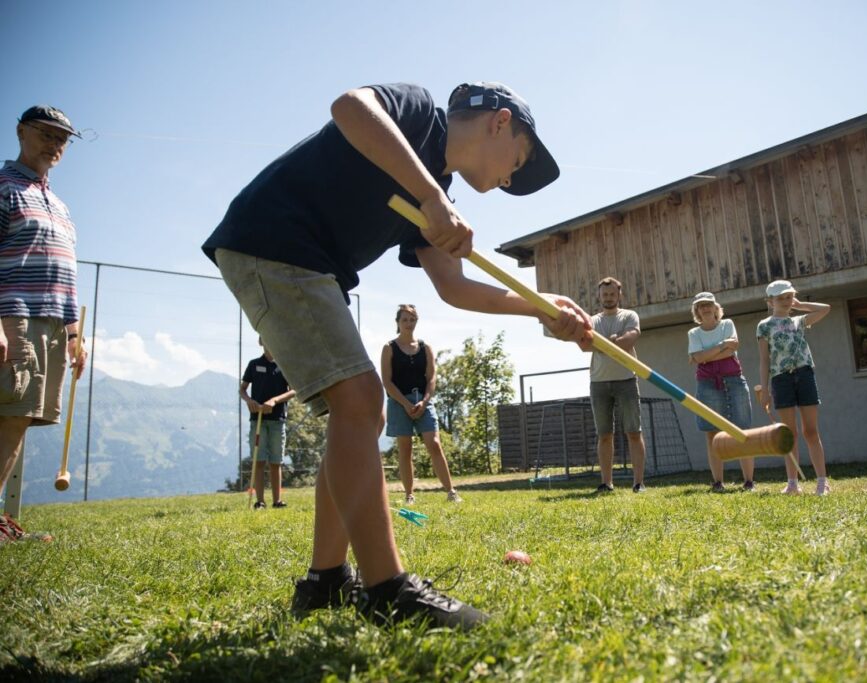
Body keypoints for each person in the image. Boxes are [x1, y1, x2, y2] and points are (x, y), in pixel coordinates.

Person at [202, 82, 591, 630]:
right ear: (498, 122)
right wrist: (431, 196)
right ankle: (387, 589)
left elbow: (454, 289)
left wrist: (539, 307)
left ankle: (326, 580)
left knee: (357, 411)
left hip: (309, 263)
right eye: (517, 162)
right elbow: (349, 108)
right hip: (272, 241)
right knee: (360, 400)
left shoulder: (439, 197)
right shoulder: (416, 114)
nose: (509, 180)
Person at [0, 106, 86, 543]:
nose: (55, 144)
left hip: (52, 325)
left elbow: (64, 271)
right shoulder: (3, 187)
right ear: (20, 132)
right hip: (13, 315)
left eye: (62, 139)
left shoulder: (60, 205)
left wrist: (74, 334)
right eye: (46, 134)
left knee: (20, 418)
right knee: (8, 413)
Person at [756, 280, 831, 495]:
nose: (786, 301)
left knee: (810, 431)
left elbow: (825, 309)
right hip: (781, 379)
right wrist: (765, 389)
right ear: (770, 301)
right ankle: (792, 483)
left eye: (789, 296)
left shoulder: (799, 321)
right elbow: (764, 360)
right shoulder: (764, 326)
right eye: (780, 298)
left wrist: (799, 305)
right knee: (790, 434)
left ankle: (822, 481)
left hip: (804, 375)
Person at [381, 304, 461, 504]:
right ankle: (409, 494)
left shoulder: (426, 348)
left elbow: (432, 378)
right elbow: (387, 381)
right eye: (405, 320)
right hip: (398, 403)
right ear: (398, 322)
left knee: (434, 444)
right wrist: (406, 404)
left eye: (412, 319)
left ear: (417, 321)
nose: (409, 323)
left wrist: (424, 402)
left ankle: (451, 491)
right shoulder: (389, 347)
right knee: (405, 448)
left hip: (424, 401)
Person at [687, 292, 755, 492]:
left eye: (709, 304)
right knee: (712, 433)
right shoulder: (693, 333)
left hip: (734, 380)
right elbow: (699, 358)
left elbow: (732, 348)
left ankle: (749, 481)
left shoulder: (727, 325)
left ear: (716, 308)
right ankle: (718, 482)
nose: (706, 308)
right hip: (707, 383)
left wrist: (705, 355)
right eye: (701, 306)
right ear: (697, 311)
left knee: (743, 430)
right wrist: (721, 347)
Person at [589, 277, 646, 493]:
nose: (608, 298)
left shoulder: (629, 315)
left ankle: (638, 483)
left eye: (612, 294)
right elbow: (585, 344)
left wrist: (605, 342)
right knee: (604, 434)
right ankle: (606, 483)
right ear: (600, 296)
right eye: (605, 294)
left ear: (619, 294)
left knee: (633, 431)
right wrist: (614, 341)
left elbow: (629, 340)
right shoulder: (593, 320)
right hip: (598, 382)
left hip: (626, 380)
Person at [240, 338, 295, 509]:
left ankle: (277, 501)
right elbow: (242, 389)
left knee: (276, 461)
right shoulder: (254, 364)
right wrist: (249, 401)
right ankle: (260, 501)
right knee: (259, 460)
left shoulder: (284, 365)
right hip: (258, 420)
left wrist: (274, 401)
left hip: (278, 420)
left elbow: (294, 389)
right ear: (260, 342)